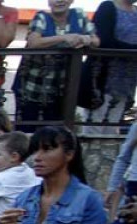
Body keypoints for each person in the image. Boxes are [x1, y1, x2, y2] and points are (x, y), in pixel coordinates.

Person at [13, 0, 98, 132]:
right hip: (32, 87)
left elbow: (96, 41)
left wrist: (84, 39)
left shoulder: (79, 15)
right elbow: (33, 42)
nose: (59, 1)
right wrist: (64, 38)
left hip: (61, 89)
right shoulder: (41, 17)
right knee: (26, 130)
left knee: (54, 134)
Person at [78, 0, 137, 134]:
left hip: (126, 83)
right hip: (102, 81)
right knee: (93, 130)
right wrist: (133, 51)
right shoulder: (108, 7)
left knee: (111, 133)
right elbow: (104, 41)